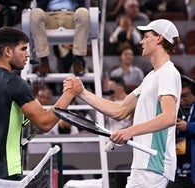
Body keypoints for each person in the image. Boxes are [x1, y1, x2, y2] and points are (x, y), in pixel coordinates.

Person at [64, 19, 181, 187]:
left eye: (146, 36)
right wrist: (82, 92)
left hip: (153, 165)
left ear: (159, 38)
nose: (141, 41)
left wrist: (129, 132)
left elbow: (169, 117)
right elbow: (120, 110)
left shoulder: (168, 73)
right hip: (144, 166)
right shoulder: (151, 76)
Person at [0, 26, 78, 180]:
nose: (28, 55)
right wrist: (69, 93)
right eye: (23, 49)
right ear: (8, 51)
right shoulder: (15, 83)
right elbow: (45, 123)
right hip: (5, 174)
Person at [30, 0, 90, 76]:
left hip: (71, 15)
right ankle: (43, 61)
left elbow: (83, 4)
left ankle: (78, 60)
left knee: (83, 12)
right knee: (36, 13)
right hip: (50, 16)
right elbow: (40, 5)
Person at [167, 75, 195, 188]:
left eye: (185, 96)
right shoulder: (172, 109)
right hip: (177, 168)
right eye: (179, 96)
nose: (182, 99)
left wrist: (187, 127)